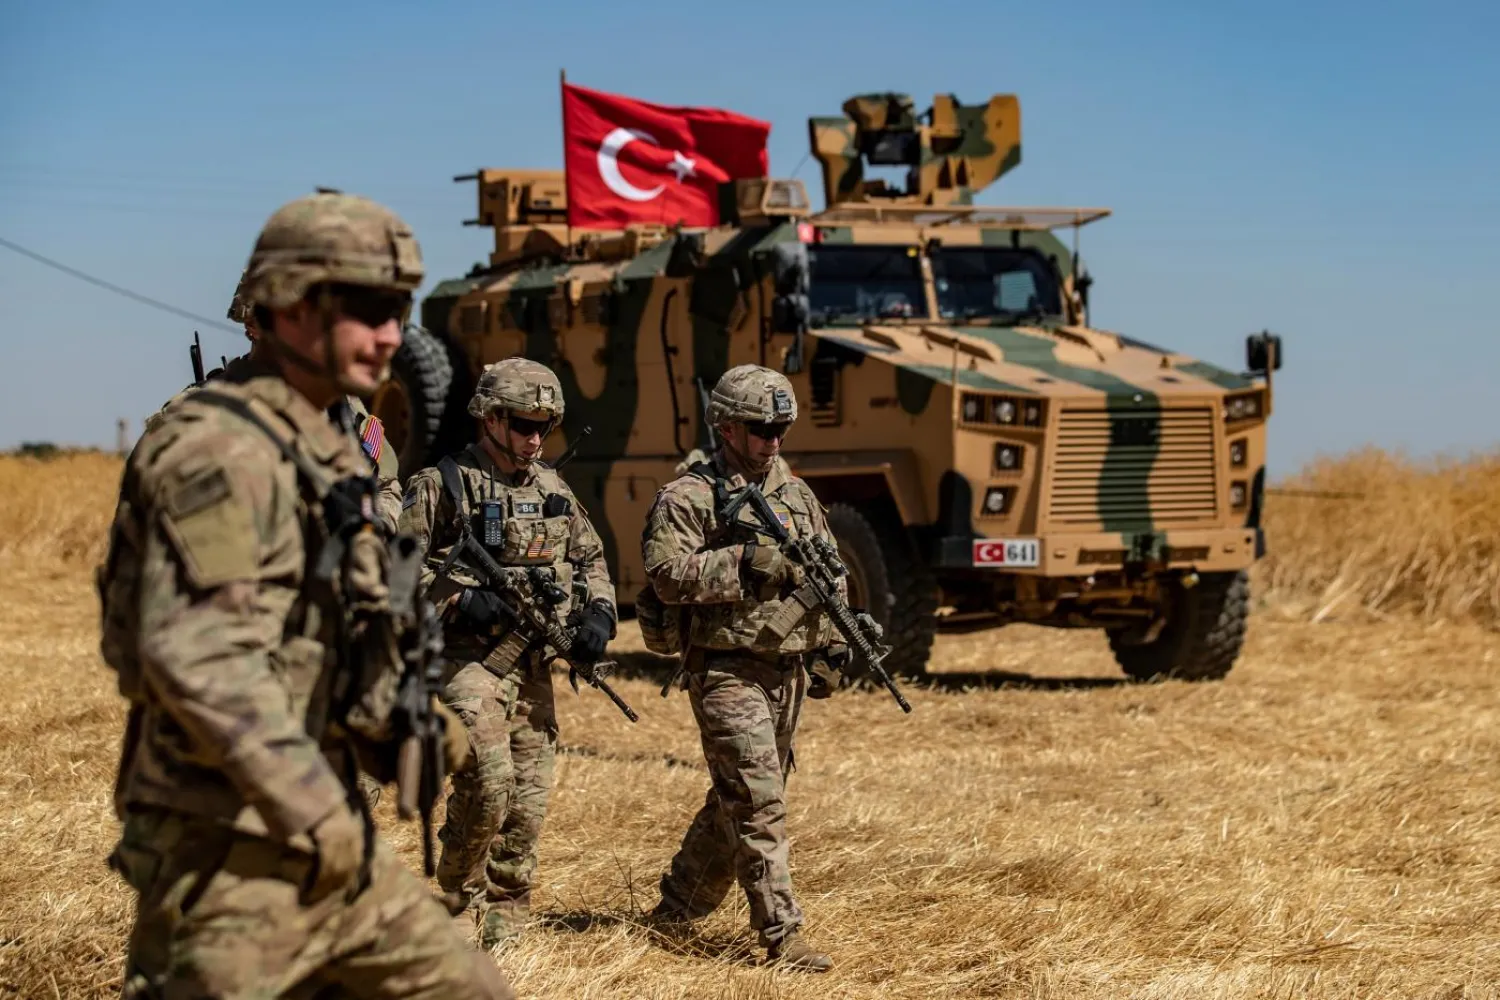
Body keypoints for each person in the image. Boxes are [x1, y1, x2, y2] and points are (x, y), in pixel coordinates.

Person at [96, 190, 514, 1000]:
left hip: (325, 825)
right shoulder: (213, 449)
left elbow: (332, 615)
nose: (393, 334)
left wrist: (395, 729)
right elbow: (198, 664)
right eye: (366, 309)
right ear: (285, 310)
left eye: (398, 310)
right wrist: (319, 813)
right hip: (226, 846)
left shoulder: (332, 437)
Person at [639, 363, 857, 973]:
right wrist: (744, 561)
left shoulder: (795, 492)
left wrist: (837, 640)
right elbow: (665, 576)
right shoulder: (691, 494)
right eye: (762, 427)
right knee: (760, 802)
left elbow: (828, 569)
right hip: (727, 668)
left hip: (786, 671)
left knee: (739, 797)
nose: (774, 438)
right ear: (727, 427)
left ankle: (677, 908)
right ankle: (782, 936)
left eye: (782, 426)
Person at [398, 358, 617, 952]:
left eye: (545, 426)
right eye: (524, 424)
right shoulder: (442, 484)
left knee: (527, 798)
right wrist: (457, 599)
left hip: (533, 664)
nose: (535, 439)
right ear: (490, 418)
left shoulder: (552, 488)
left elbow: (592, 559)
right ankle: (454, 904)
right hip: (465, 663)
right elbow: (393, 571)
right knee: (490, 781)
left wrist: (598, 614)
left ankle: (507, 920)